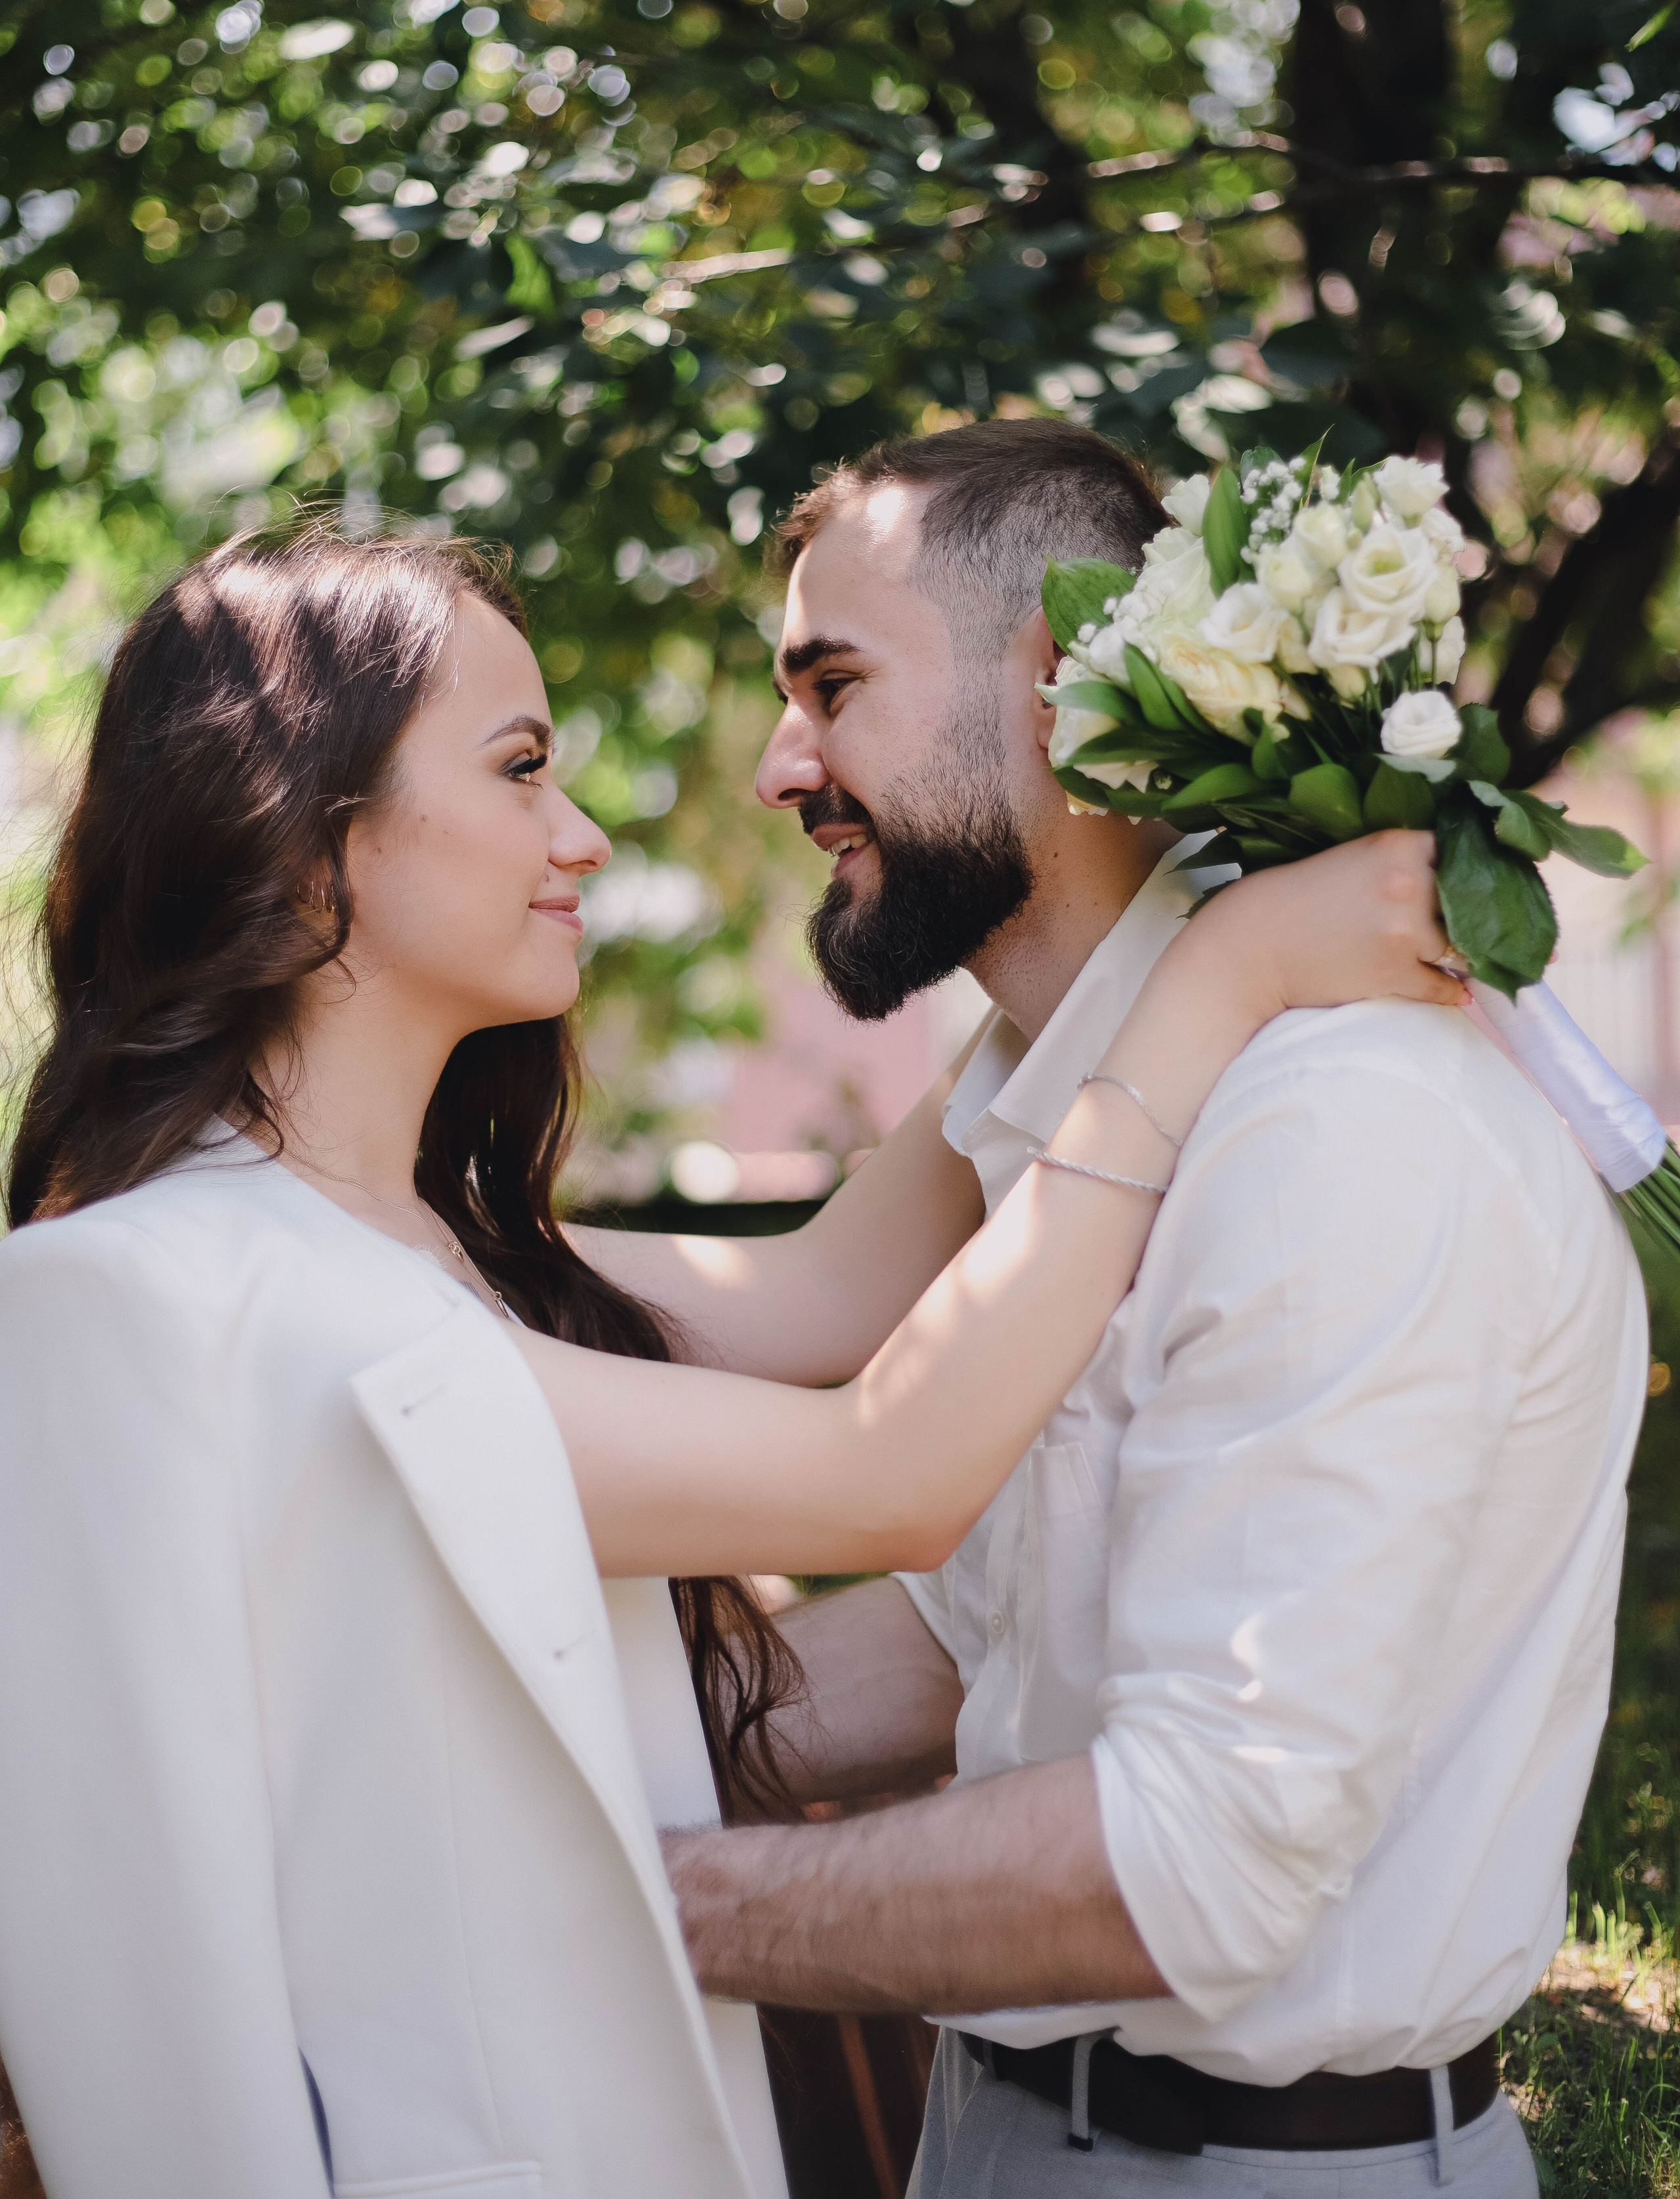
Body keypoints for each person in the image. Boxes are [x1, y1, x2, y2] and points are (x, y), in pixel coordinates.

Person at [0, 524, 1454, 2199]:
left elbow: (837, 1287)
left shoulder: (416, 1256)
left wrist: (1126, 893)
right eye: (522, 768)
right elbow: (885, 1472)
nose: (584, 835)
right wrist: (1227, 978)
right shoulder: (135, 1290)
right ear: (304, 831)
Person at [585, 420, 1647, 2199]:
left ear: (1064, 680)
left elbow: (1198, 1859)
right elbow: (966, 1637)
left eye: (831, 684)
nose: (782, 765)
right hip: (1004, 2132)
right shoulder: (1059, 1099)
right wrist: (509, 1754)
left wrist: (631, 1904)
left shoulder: (1334, 1138)